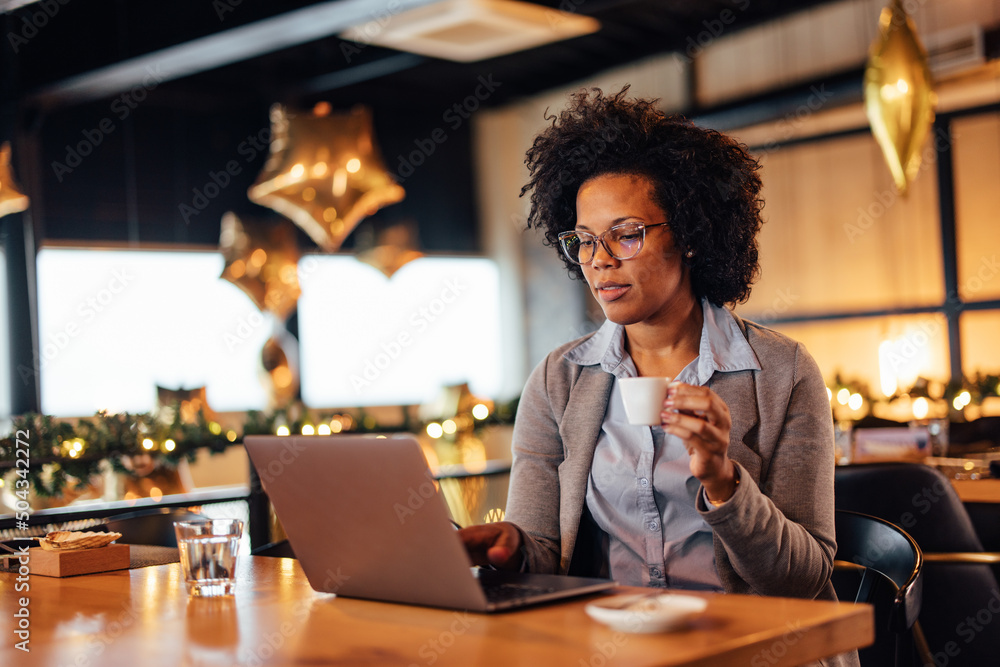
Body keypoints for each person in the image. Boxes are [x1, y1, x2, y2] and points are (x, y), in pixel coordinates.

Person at [459, 86, 856, 667]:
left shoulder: (782, 372)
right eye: (585, 242)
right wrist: (512, 547)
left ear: (691, 235)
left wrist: (723, 480)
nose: (599, 260)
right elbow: (545, 551)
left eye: (626, 233)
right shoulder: (559, 380)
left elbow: (803, 579)